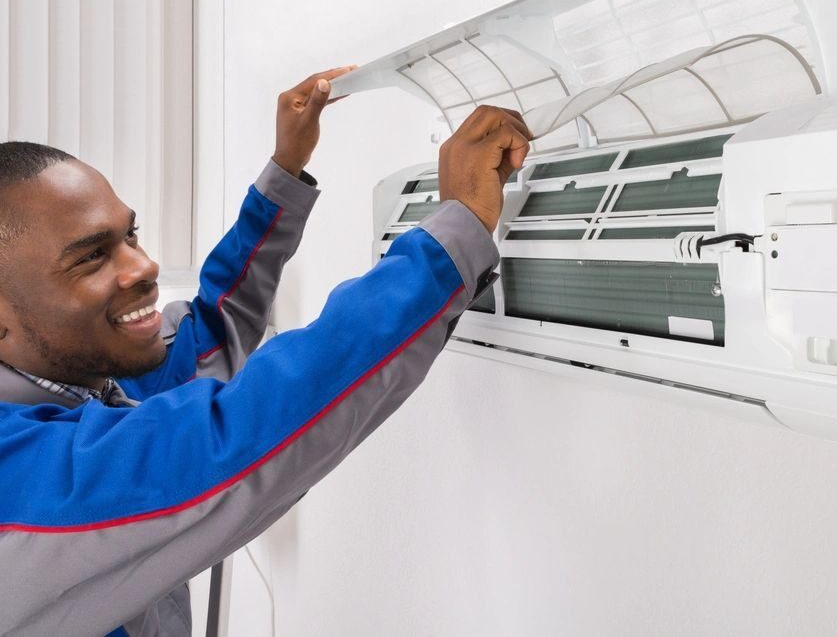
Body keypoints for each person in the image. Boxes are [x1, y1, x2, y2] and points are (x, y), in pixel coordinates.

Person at [0, 68, 532, 637]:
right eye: (90, 257)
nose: (145, 266)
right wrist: (456, 232)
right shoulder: (19, 478)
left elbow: (212, 327)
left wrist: (285, 170)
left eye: (130, 236)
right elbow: (240, 434)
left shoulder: (88, 374)